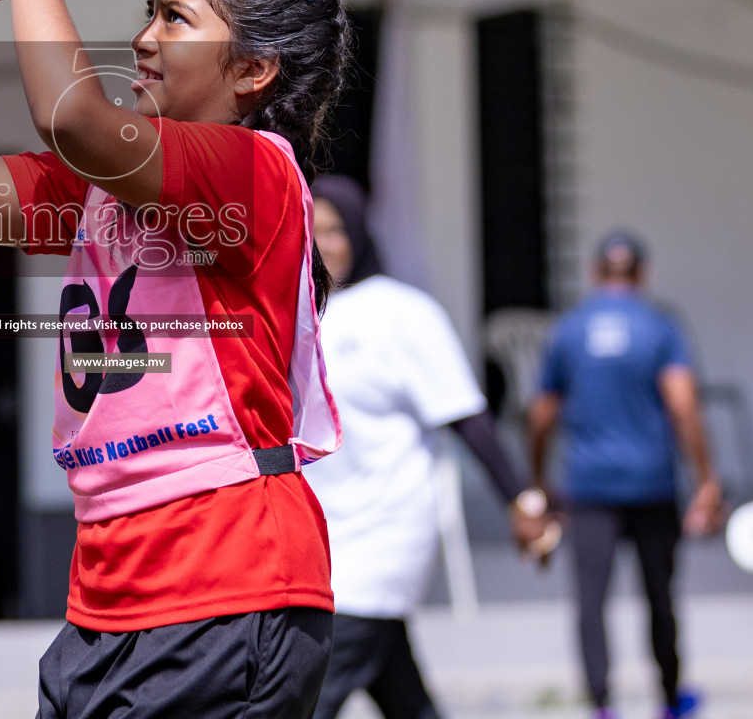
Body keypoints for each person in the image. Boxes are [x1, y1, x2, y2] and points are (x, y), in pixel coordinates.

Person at [0, 0, 347, 718]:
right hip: (109, 591)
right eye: (148, 13)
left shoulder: (254, 172)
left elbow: (76, 120)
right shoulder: (103, 194)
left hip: (228, 582)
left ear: (251, 72)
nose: (144, 38)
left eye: (175, 18)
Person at [306, 175, 555, 719]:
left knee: (310, 696)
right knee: (401, 693)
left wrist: (522, 502)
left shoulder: (404, 313)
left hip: (382, 535)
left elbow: (468, 419)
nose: (323, 243)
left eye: (335, 230)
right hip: (318, 536)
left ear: (360, 234)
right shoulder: (298, 311)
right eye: (312, 229)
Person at [528, 231, 723, 719]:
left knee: (591, 600)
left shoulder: (569, 330)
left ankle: (601, 704)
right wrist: (706, 478)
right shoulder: (660, 326)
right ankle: (671, 697)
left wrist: (538, 478)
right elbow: (683, 406)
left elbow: (541, 415)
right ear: (641, 273)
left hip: (589, 486)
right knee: (660, 595)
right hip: (652, 484)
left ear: (596, 273)